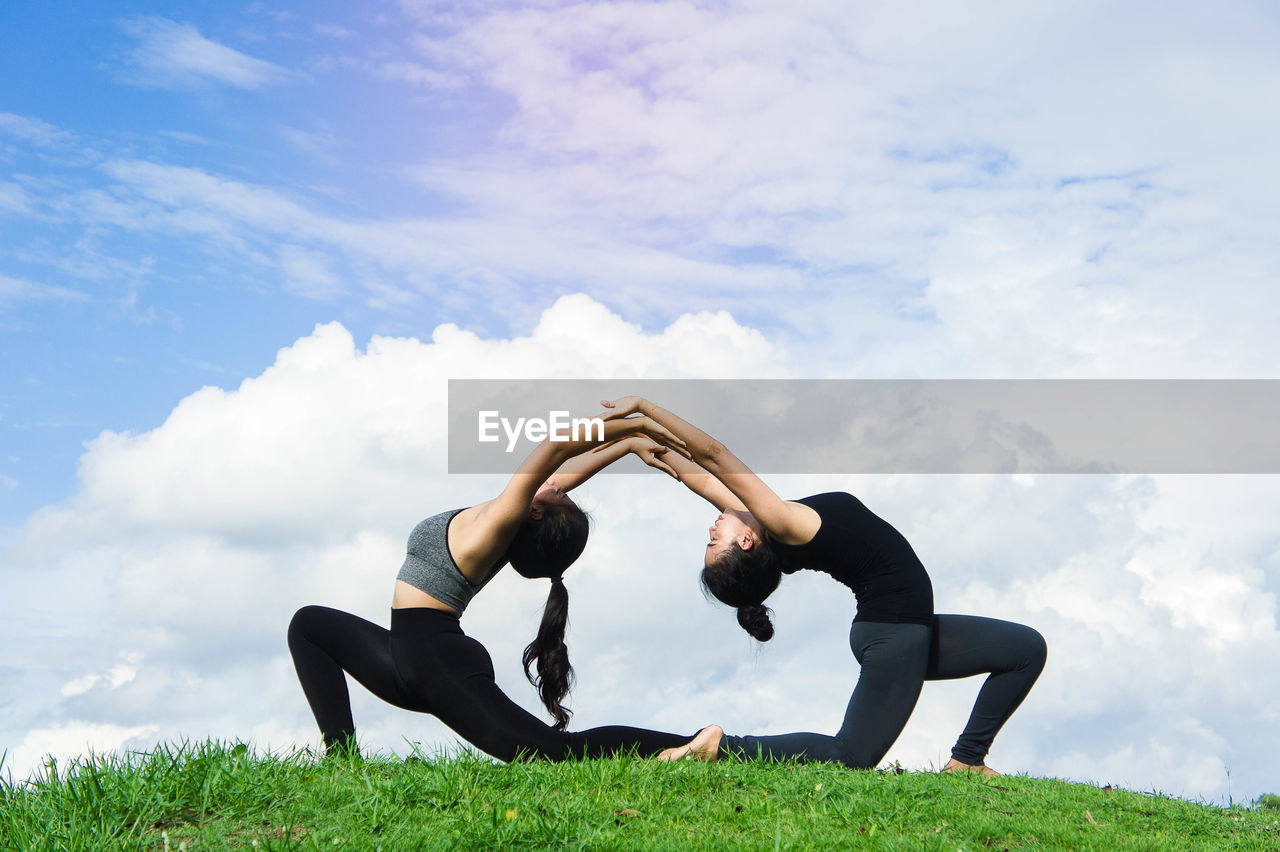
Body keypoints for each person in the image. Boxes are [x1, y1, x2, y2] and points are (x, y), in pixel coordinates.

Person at [599, 395, 1048, 774]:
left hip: (909, 628)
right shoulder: (779, 520)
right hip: (892, 632)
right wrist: (643, 411)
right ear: (747, 541)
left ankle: (967, 761)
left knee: (1024, 649)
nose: (713, 525)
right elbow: (714, 455)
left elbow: (693, 473)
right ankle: (724, 745)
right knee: (851, 756)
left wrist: (642, 440)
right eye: (715, 539)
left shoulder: (763, 522)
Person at [287, 414, 705, 762]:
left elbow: (556, 450)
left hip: (437, 662)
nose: (557, 485)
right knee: (309, 625)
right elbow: (564, 473)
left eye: (559, 494)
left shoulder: (500, 524)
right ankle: (340, 759)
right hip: (406, 655)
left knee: (557, 753)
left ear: (535, 511)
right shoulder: (516, 525)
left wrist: (635, 424)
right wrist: (627, 446)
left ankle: (683, 747)